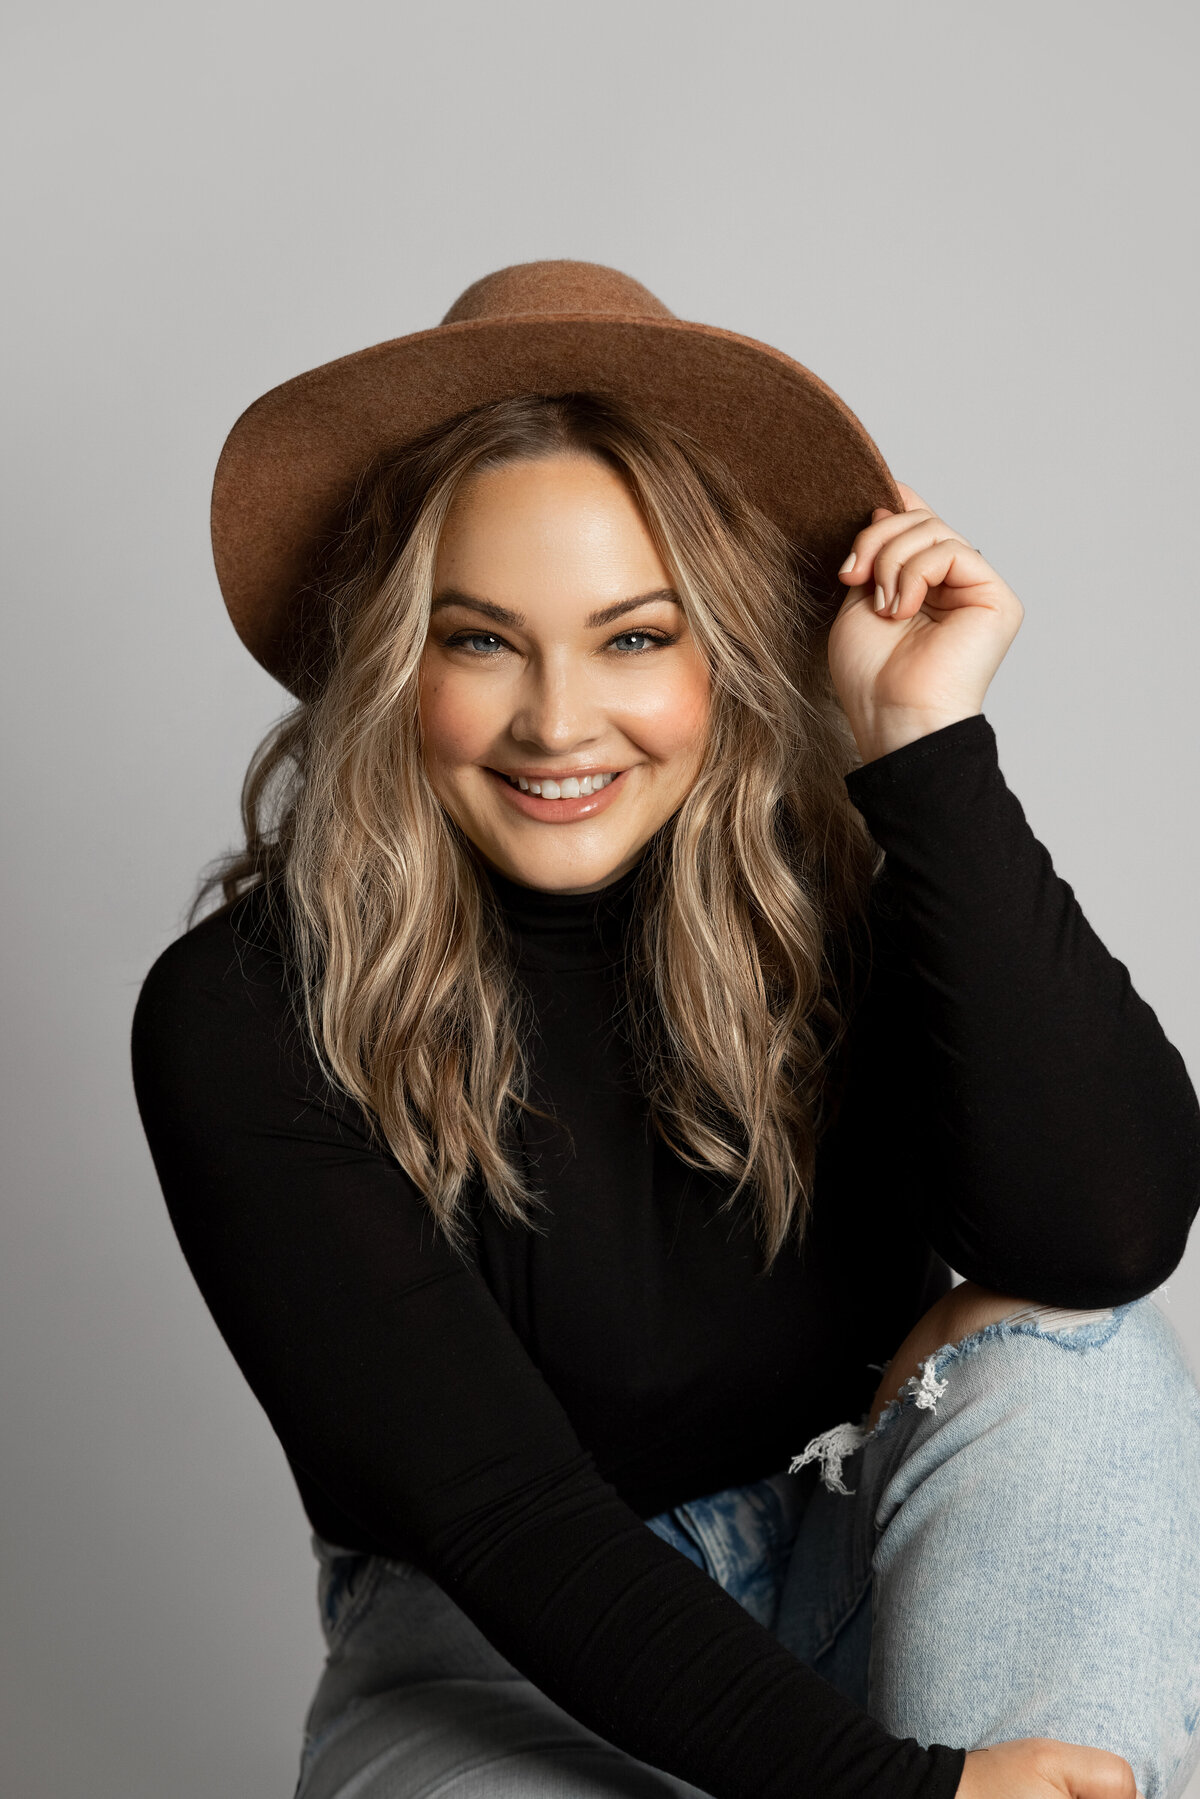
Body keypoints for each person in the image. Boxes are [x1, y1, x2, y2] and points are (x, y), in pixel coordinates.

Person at [130, 260, 1200, 1799]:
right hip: (497, 1664)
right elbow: (502, 1514)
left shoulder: (845, 903)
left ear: (722, 649)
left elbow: (1100, 1235)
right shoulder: (244, 1014)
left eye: (634, 637)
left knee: (1075, 1362)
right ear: (385, 661)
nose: (560, 724)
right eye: (479, 639)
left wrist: (929, 755)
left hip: (858, 1581)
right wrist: (906, 1797)